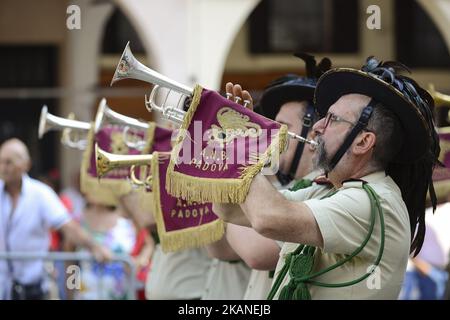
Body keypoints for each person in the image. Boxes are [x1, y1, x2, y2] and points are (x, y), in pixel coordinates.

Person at [214, 57, 440, 299]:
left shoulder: (374, 202)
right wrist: (226, 152)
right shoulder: (329, 191)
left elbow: (265, 218)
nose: (319, 126)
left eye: (333, 119)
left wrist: (244, 146)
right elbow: (232, 212)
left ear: (363, 142)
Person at [206, 54, 333, 299]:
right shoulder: (289, 188)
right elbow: (219, 249)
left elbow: (255, 252)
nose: (271, 134)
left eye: (282, 126)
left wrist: (238, 150)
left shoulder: (322, 190)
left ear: (314, 136)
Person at [0, 138, 112, 300]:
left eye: (9, 162)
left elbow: (67, 226)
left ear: (25, 164)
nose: (3, 168)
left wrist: (95, 247)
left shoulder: (40, 194)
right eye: (1, 162)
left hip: (33, 287)